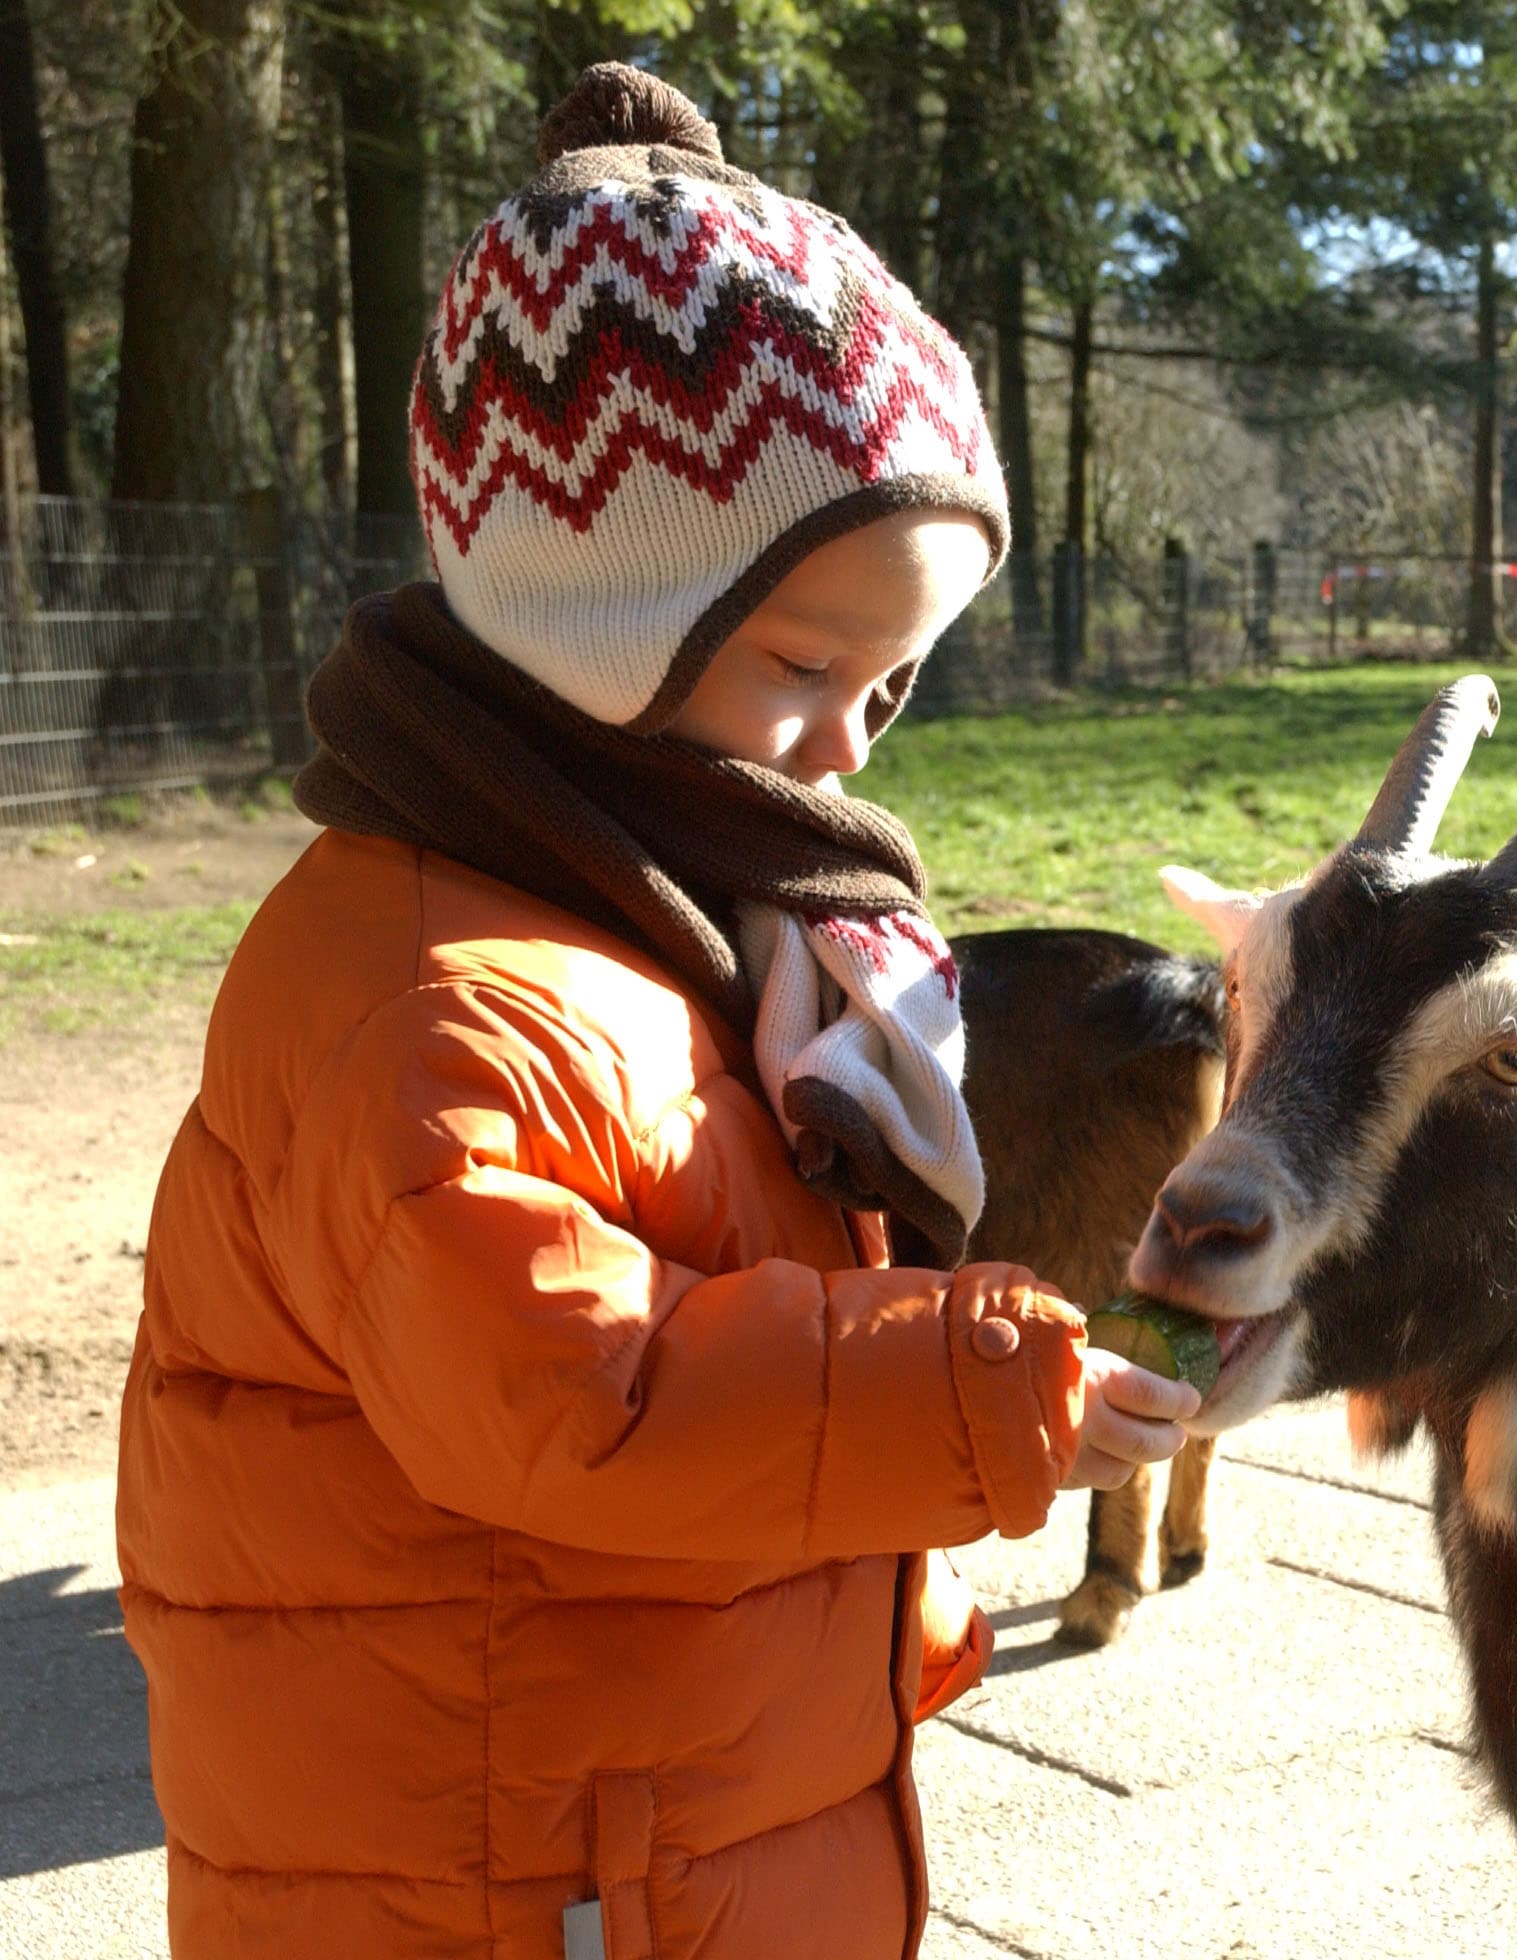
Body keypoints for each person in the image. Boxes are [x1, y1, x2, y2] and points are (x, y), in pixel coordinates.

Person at [116, 64, 1195, 1960]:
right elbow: (587, 1401)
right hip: (503, 1876)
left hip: (649, 1810)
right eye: (808, 660)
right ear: (593, 610)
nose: (857, 737)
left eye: (905, 677)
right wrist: (978, 1384)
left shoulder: (671, 902)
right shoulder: (440, 1008)